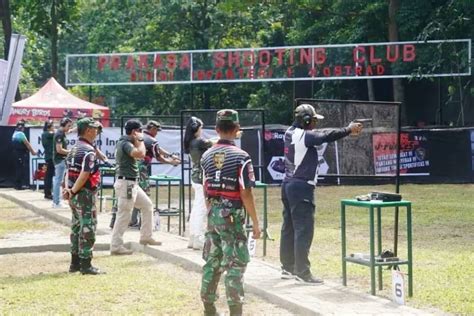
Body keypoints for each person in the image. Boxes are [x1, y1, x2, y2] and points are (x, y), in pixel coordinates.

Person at [279, 103, 363, 284]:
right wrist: (348, 129)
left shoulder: (290, 133)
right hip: (301, 186)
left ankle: (288, 267)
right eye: (313, 120)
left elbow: (320, 134)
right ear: (306, 120)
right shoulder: (304, 135)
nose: (315, 124)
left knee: (289, 228)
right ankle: (302, 272)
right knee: (303, 230)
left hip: (288, 184)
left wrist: (346, 129)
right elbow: (325, 136)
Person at [200, 109, 261, 316]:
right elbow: (246, 192)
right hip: (232, 213)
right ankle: (235, 312)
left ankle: (209, 308)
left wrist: (211, 210)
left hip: (213, 211)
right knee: (235, 264)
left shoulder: (206, 155)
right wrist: (256, 222)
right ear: (236, 129)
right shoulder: (241, 156)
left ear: (217, 129)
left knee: (212, 260)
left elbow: (205, 186)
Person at [110, 119, 162, 255]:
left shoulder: (126, 141)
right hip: (127, 183)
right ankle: (116, 246)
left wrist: (138, 141)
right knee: (124, 215)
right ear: (134, 132)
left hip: (131, 183)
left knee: (147, 205)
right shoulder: (126, 143)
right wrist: (141, 141)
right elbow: (140, 154)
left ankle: (146, 236)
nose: (141, 133)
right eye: (139, 131)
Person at [63, 118, 104, 275]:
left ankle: (75, 263)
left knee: (76, 227)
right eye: (94, 129)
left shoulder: (74, 149)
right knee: (88, 227)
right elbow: (85, 174)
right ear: (88, 130)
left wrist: (68, 190)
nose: (96, 132)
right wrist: (73, 191)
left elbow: (68, 172)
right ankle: (86, 265)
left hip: (74, 193)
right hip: (84, 194)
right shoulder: (88, 151)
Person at [128, 120, 181, 228]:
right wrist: (171, 162)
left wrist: (171, 155)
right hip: (141, 168)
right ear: (152, 129)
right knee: (144, 195)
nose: (157, 132)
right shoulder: (152, 140)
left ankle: (131, 220)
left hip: (132, 166)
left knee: (132, 193)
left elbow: (158, 149)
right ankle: (142, 223)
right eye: (156, 130)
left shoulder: (140, 136)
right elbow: (158, 157)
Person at [183, 116, 213, 250]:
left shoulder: (191, 142)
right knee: (201, 209)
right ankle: (198, 238)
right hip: (201, 178)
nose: (202, 130)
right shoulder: (199, 141)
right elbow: (213, 142)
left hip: (196, 177)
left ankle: (193, 237)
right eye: (201, 128)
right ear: (197, 129)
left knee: (196, 209)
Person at [52, 117, 73, 208]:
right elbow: (59, 150)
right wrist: (71, 151)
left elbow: (69, 131)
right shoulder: (59, 135)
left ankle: (56, 201)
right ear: (63, 125)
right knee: (58, 181)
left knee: (58, 181)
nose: (69, 128)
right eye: (68, 126)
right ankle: (56, 202)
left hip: (61, 160)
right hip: (60, 160)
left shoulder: (61, 133)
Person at [11, 119, 37, 190]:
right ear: (22, 128)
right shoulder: (21, 134)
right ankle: (18, 186)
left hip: (16, 153)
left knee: (18, 168)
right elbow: (27, 144)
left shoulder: (15, 133)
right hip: (20, 153)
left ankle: (17, 185)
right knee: (20, 169)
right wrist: (33, 152)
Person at [41, 119, 55, 199]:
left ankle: (47, 192)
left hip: (48, 157)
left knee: (48, 175)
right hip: (51, 157)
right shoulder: (48, 133)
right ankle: (48, 193)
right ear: (49, 127)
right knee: (49, 176)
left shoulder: (45, 134)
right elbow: (57, 133)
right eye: (53, 126)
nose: (54, 127)